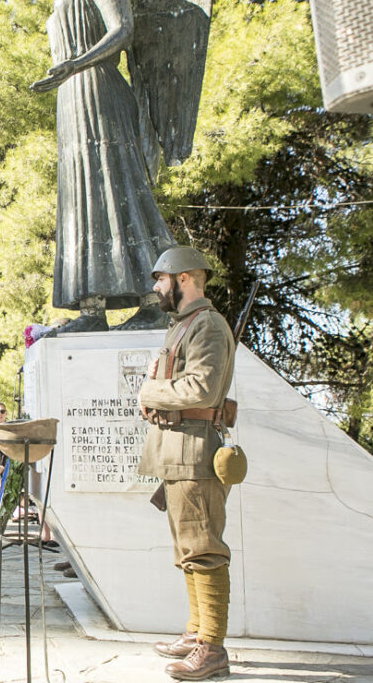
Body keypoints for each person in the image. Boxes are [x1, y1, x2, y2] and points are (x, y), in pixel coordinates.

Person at [31, 0, 175, 332]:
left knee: (117, 185)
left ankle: (152, 300)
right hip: (73, 97)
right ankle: (92, 308)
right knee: (83, 196)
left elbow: (123, 29)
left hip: (98, 90)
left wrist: (76, 63)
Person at [137, 246, 237, 681]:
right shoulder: (184, 326)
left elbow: (201, 389)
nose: (157, 287)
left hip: (195, 452)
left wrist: (149, 391)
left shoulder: (208, 326)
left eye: (161, 279)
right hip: (177, 450)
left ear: (183, 279)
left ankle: (211, 649)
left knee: (204, 550)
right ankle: (197, 632)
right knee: (187, 551)